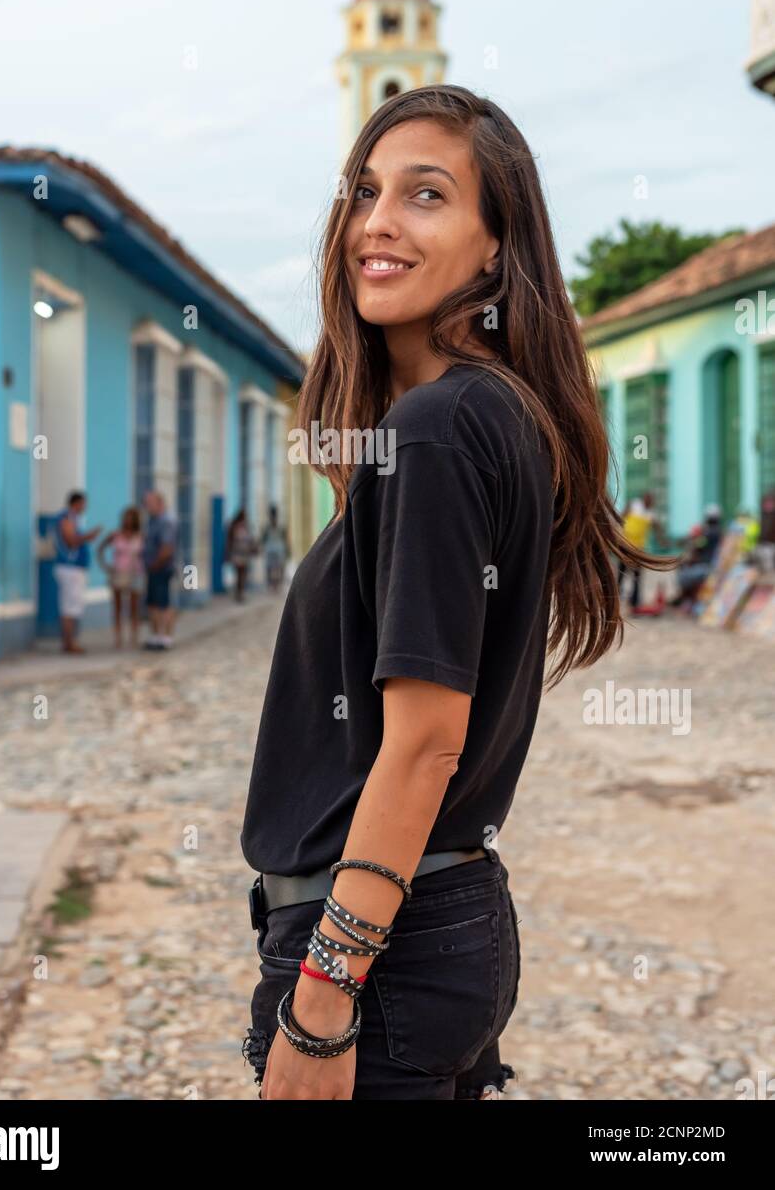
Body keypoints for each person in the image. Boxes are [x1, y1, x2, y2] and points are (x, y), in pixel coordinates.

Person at [238, 84, 674, 1102]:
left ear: (494, 248)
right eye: (364, 191)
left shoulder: (438, 431)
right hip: (443, 922)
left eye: (426, 194)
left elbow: (427, 740)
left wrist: (325, 991)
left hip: (381, 950)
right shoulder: (491, 417)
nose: (377, 222)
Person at [52, 491, 101, 654]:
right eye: (83, 504)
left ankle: (70, 641)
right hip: (70, 568)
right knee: (69, 607)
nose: (85, 507)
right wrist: (88, 536)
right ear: (77, 503)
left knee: (73, 606)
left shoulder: (73, 518)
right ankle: (69, 642)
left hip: (74, 569)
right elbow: (71, 540)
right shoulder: (66, 518)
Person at [98, 506, 143, 649]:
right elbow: (101, 548)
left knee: (134, 607)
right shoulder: (115, 535)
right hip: (118, 572)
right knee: (117, 607)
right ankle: (118, 637)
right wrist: (106, 566)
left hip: (136, 572)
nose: (128, 521)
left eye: (131, 518)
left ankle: (134, 636)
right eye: (126, 517)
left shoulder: (140, 536)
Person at [142, 490, 178, 651]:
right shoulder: (152, 521)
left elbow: (167, 548)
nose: (146, 506)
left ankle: (165, 637)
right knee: (153, 603)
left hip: (163, 568)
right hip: (153, 567)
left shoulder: (166, 521)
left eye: (150, 503)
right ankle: (156, 635)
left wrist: (155, 564)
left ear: (160, 503)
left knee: (164, 603)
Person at [616, 492, 658, 610]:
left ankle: (634, 603)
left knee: (636, 577)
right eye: (648, 499)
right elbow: (621, 517)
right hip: (626, 546)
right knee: (621, 573)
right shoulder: (634, 505)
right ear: (644, 498)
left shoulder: (651, 514)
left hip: (638, 549)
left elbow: (657, 528)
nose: (649, 502)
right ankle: (615, 599)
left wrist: (664, 541)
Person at [225, 509, 256, 603]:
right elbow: (230, 541)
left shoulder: (245, 526)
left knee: (242, 574)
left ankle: (240, 592)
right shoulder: (235, 526)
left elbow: (250, 540)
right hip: (238, 554)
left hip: (243, 554)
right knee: (239, 574)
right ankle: (238, 593)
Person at [261, 504, 289, 592]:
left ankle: (277, 583)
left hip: (278, 548)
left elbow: (285, 537)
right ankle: (272, 584)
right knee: (270, 567)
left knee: (279, 566)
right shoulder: (268, 526)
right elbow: (264, 538)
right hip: (272, 548)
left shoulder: (279, 525)